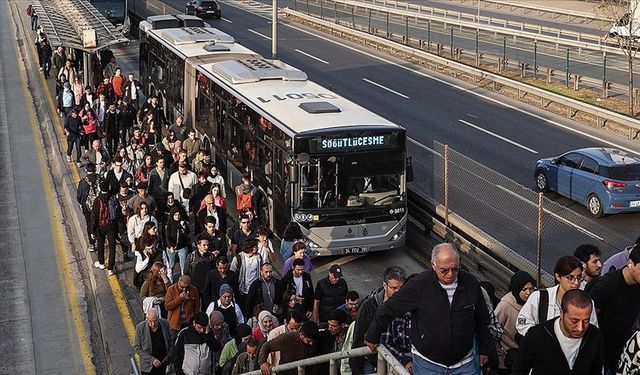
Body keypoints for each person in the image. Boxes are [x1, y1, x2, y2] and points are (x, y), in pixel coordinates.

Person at [364, 243, 495, 374]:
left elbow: (482, 318)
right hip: (428, 364)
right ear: (433, 265)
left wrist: (484, 349)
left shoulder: (471, 283)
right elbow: (390, 308)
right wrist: (373, 335)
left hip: (464, 363)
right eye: (444, 270)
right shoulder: (419, 285)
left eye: (455, 269)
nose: (450, 274)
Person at [511, 289, 605, 375]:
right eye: (574, 321)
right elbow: (519, 370)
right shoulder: (537, 335)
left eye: (586, 321)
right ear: (562, 313)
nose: (580, 328)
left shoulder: (595, 336)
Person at [588, 245, 640, 374]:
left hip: (621, 350)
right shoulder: (607, 285)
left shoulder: (637, 285)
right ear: (630, 263)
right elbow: (588, 320)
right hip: (601, 353)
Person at [516, 256, 598, 337]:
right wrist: (541, 338)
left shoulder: (587, 303)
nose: (576, 283)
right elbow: (522, 323)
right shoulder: (540, 297)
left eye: (579, 277)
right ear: (558, 277)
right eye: (570, 277)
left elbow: (593, 332)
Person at [351, 266, 407, 374]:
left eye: (401, 288)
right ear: (385, 285)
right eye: (394, 288)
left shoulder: (407, 305)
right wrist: (356, 370)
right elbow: (358, 338)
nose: (398, 292)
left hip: (399, 362)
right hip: (372, 361)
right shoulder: (369, 306)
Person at [494, 271, 536, 374]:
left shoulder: (534, 302)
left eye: (531, 289)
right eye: (524, 289)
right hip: (506, 357)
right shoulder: (505, 305)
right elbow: (494, 327)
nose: (528, 293)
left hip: (525, 353)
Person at [134, 309, 173, 375]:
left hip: (162, 363)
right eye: (150, 321)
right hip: (148, 367)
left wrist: (168, 355)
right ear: (147, 318)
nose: (153, 324)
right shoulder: (140, 328)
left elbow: (170, 340)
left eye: (155, 321)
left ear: (158, 318)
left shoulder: (165, 323)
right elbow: (137, 348)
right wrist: (152, 360)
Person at [91, 180, 118, 275]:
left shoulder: (97, 200)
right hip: (112, 226)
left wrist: (92, 230)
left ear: (100, 188)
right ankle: (111, 268)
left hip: (100, 226)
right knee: (112, 247)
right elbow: (117, 213)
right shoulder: (113, 198)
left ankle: (101, 262)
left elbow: (94, 217)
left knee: (101, 244)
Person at [165, 275, 200, 343]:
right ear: (178, 282)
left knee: (188, 342)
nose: (184, 289)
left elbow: (197, 307)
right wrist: (179, 298)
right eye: (182, 287)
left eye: (186, 287)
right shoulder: (171, 289)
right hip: (175, 323)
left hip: (188, 322)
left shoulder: (194, 290)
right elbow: (167, 306)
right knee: (173, 342)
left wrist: (195, 320)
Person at [165, 207, 190, 276]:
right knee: (171, 265)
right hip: (172, 247)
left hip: (182, 247)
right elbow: (167, 237)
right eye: (175, 215)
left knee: (183, 265)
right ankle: (170, 279)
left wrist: (183, 226)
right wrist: (170, 246)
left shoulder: (182, 222)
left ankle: (183, 280)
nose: (177, 216)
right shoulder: (169, 224)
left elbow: (187, 232)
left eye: (178, 215)